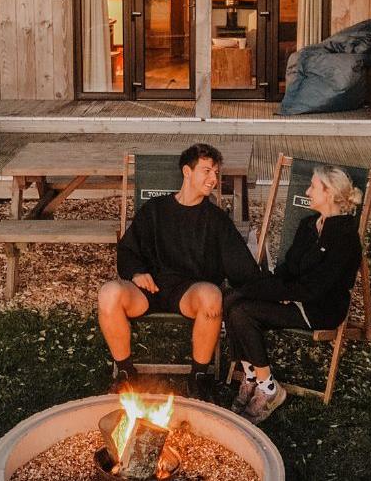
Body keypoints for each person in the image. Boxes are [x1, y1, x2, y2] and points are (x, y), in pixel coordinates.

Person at [97, 143, 261, 401]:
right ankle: (126, 373)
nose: (214, 179)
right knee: (108, 293)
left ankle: (199, 377)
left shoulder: (215, 219)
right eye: (207, 171)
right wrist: (137, 272)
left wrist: (271, 288)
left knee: (211, 295)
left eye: (216, 173)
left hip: (189, 292)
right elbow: (127, 250)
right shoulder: (155, 209)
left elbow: (241, 265)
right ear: (187, 171)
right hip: (147, 289)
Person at [224, 165, 365, 423]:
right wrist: (275, 287)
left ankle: (269, 390)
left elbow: (318, 288)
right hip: (295, 295)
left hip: (319, 308)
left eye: (313, 187)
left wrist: (276, 293)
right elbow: (289, 266)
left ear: (330, 193)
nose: (307, 191)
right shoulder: (308, 225)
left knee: (243, 311)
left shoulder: (345, 238)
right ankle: (251, 375)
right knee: (232, 299)